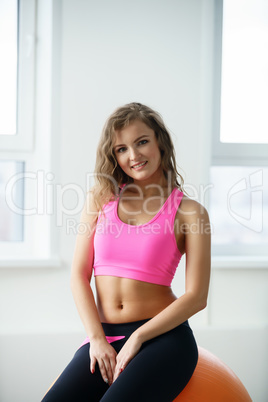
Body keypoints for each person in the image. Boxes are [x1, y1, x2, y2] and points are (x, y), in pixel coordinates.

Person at [42, 102, 211, 402]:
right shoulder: (100, 200)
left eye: (141, 142)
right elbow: (79, 276)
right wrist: (96, 338)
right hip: (104, 337)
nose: (133, 156)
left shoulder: (190, 212)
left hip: (163, 340)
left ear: (160, 141)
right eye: (121, 149)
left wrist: (139, 337)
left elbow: (196, 297)